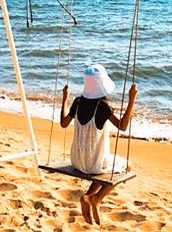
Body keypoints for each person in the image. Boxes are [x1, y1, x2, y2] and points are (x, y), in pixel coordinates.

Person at [59, 64, 138, 225]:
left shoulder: (78, 101)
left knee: (104, 163)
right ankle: (96, 198)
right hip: (93, 163)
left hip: (77, 160)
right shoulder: (102, 106)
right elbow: (122, 126)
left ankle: (89, 198)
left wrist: (65, 99)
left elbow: (63, 123)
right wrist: (132, 101)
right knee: (126, 166)